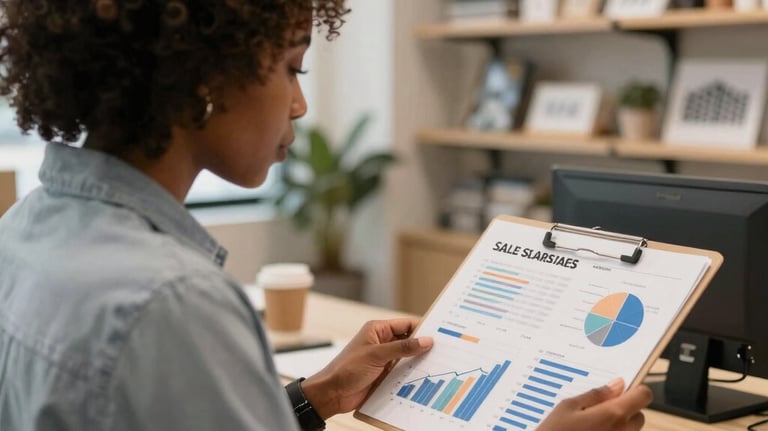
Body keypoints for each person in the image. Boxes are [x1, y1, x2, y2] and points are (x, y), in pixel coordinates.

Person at [0, 0, 652, 430]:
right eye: (291, 67)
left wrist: (320, 394)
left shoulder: (23, 231)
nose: (300, 104)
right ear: (202, 74)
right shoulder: (173, 304)